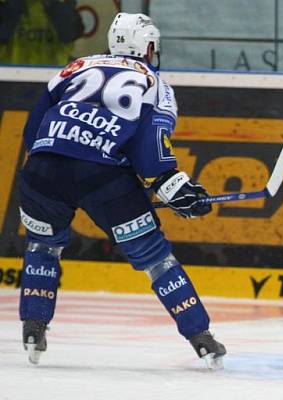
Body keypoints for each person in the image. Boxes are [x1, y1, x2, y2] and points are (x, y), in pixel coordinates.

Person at [17, 12, 226, 369]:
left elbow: (32, 132)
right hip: (104, 182)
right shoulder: (154, 82)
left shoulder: (73, 68)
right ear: (147, 46)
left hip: (42, 171)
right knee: (156, 260)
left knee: (43, 247)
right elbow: (150, 145)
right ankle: (201, 337)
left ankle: (34, 326)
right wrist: (173, 186)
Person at [0, 0, 84, 65]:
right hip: (10, 76)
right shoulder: (6, 5)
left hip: (52, 76)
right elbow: (3, 35)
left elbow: (68, 35)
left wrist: (54, 6)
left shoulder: (62, 5)